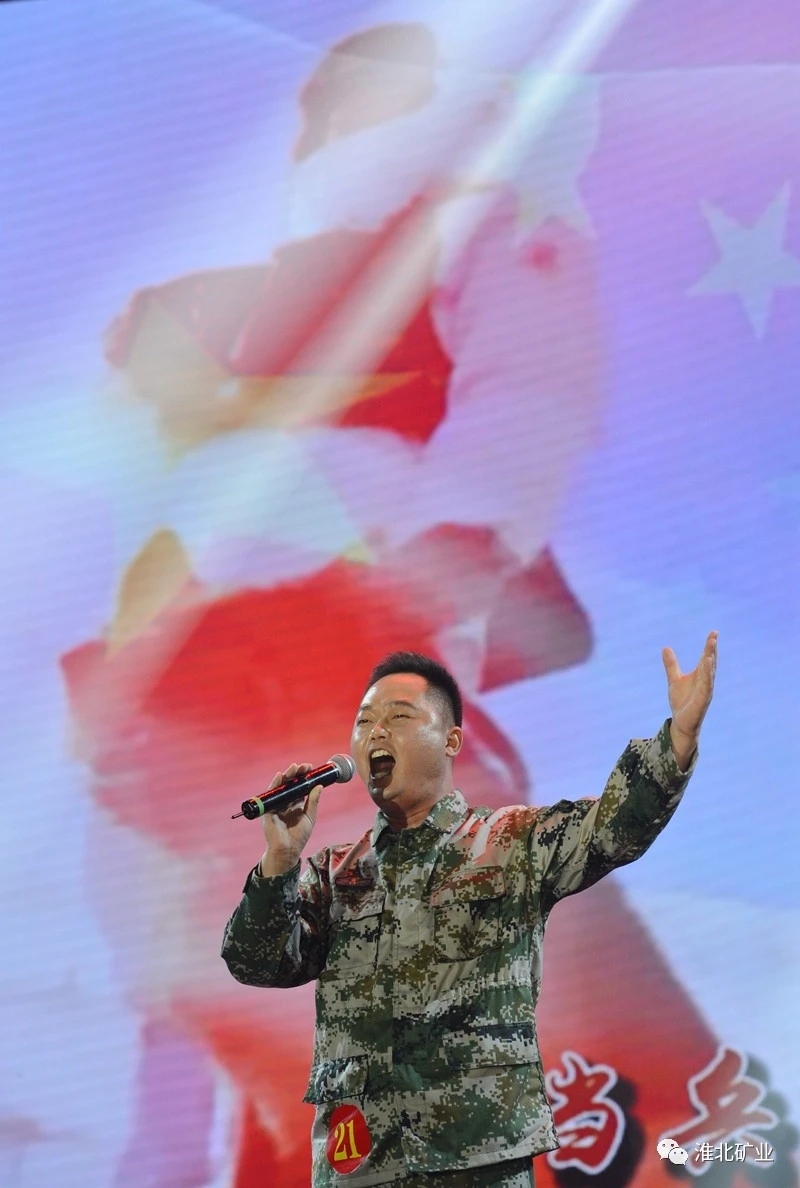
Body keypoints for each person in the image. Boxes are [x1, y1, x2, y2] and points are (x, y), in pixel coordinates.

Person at [221, 632, 718, 1187]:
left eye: (398, 716)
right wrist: (280, 859)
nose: (376, 732)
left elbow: (612, 829)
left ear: (451, 739)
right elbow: (255, 962)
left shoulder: (511, 841)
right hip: (360, 1163)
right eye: (364, 722)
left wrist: (677, 739)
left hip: (479, 1159)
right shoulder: (331, 875)